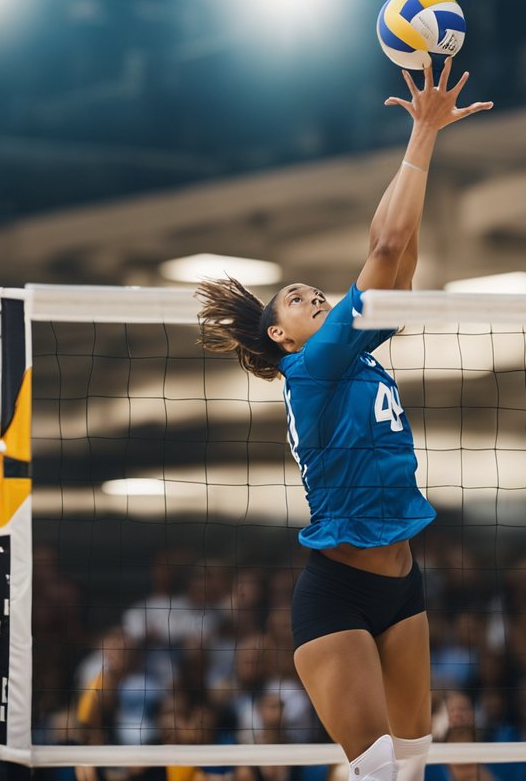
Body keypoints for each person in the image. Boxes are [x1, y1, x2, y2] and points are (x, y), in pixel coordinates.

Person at [196, 57, 492, 781]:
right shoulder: (314, 367)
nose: (311, 295)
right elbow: (385, 248)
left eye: (311, 290)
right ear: (280, 336)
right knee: (381, 769)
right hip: (336, 591)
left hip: (403, 581)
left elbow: (404, 256)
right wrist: (423, 134)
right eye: (296, 298)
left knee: (415, 767)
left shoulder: (357, 354)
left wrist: (426, 154)